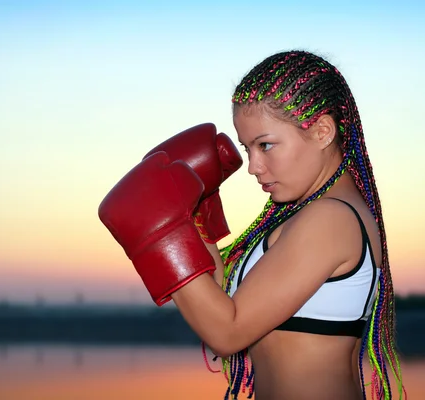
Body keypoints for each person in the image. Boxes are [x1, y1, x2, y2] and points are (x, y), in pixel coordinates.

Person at [99, 50, 406, 400]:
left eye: (266, 145)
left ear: (322, 131)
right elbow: (220, 307)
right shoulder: (306, 214)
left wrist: (162, 233)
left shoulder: (330, 219)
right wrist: (197, 215)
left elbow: (226, 334)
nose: (253, 166)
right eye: (248, 148)